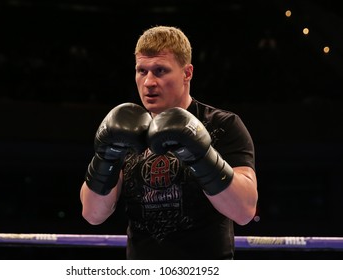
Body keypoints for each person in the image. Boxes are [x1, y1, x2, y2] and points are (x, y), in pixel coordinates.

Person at [80, 25, 258, 259]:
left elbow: (245, 211)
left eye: (160, 71)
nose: (148, 82)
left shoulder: (222, 125)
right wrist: (107, 156)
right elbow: (93, 214)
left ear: (187, 73)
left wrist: (200, 155)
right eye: (141, 71)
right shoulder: (126, 129)